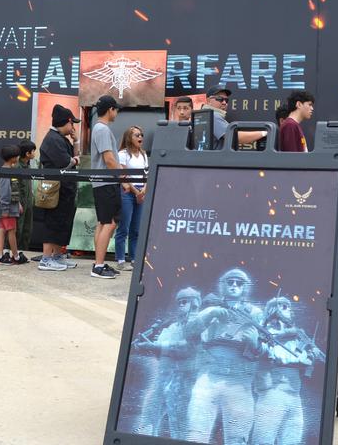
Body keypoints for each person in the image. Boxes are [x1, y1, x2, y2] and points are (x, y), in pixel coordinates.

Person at [184, 268, 262, 443]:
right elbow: (189, 333)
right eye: (230, 282)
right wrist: (210, 314)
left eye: (239, 283)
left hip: (239, 379)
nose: (234, 286)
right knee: (196, 433)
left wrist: (255, 343)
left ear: (245, 287)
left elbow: (266, 351)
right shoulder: (211, 308)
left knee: (237, 437)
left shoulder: (255, 313)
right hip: (208, 376)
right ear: (223, 285)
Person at [253, 296, 325, 445]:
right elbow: (268, 353)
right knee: (264, 440)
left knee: (292, 439)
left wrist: (309, 356)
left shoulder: (296, 334)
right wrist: (299, 358)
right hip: (273, 392)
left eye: (287, 306)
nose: (287, 309)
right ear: (272, 309)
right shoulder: (265, 329)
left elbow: (305, 357)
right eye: (282, 306)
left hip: (294, 394)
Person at [132, 287, 202, 438]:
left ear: (195, 303)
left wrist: (154, 346)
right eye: (179, 302)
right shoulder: (171, 327)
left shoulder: (200, 325)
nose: (181, 305)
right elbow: (161, 354)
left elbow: (186, 350)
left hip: (183, 383)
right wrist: (146, 345)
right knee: (147, 421)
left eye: (185, 302)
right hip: (162, 380)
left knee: (179, 427)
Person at [37, 105, 80, 271]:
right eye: (72, 124)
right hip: (55, 190)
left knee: (62, 222)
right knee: (53, 223)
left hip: (64, 189)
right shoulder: (53, 139)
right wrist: (75, 160)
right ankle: (46, 259)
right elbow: (67, 162)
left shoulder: (60, 138)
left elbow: (74, 157)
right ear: (67, 122)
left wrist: (76, 141)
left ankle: (57, 256)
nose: (73, 127)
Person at [90, 95, 122, 279]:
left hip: (103, 182)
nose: (116, 113)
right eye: (116, 109)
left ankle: (98, 263)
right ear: (110, 109)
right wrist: (123, 178)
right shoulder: (102, 129)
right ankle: (99, 266)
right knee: (109, 223)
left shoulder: (99, 128)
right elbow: (109, 159)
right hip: (107, 183)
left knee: (103, 223)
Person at [115, 126, 148, 272]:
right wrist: (136, 192)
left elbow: (146, 174)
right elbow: (123, 176)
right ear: (129, 138)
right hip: (127, 192)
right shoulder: (123, 154)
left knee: (136, 229)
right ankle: (121, 259)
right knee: (124, 227)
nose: (140, 137)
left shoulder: (144, 154)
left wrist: (144, 190)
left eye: (141, 135)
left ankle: (134, 258)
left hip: (141, 192)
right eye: (136, 135)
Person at [201, 86, 267, 150]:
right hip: (215, 159)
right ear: (209, 100)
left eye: (226, 100)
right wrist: (264, 133)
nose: (224, 103)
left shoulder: (203, 114)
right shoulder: (213, 116)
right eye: (219, 99)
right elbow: (236, 137)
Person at [0, 145, 26, 265]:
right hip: (8, 208)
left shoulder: (6, 169)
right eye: (17, 155)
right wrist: (6, 208)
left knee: (2, 230)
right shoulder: (7, 172)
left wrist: (18, 204)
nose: (18, 157)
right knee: (12, 231)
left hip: (7, 206)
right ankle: (16, 257)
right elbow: (5, 191)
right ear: (12, 158)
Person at [16, 139, 38, 253]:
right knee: (18, 228)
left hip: (28, 201)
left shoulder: (27, 166)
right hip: (20, 202)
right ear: (27, 154)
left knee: (27, 228)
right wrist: (17, 202)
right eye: (33, 151)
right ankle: (13, 251)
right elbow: (15, 186)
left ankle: (23, 251)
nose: (34, 153)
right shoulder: (17, 166)